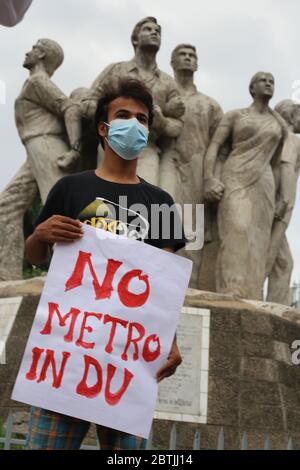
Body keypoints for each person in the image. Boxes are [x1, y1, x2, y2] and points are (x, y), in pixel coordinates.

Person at [24, 78, 186, 450]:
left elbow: (164, 284)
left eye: (142, 119)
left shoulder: (160, 201)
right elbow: (35, 257)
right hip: (65, 360)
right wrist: (40, 234)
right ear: (104, 127)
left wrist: (171, 340)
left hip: (127, 366)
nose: (134, 124)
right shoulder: (69, 189)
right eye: (123, 115)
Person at [0, 38, 82, 281]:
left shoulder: (38, 81)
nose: (28, 51)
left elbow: (70, 108)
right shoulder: (33, 81)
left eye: (34, 48)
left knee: (60, 211)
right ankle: (7, 277)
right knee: (5, 208)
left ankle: (71, 274)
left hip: (48, 147)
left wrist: (75, 149)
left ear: (43, 55)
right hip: (35, 150)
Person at [204, 72, 287, 300]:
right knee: (236, 229)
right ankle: (232, 288)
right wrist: (209, 178)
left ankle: (252, 293)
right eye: (263, 80)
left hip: (264, 181)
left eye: (272, 81)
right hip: (236, 175)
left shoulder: (277, 124)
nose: (268, 83)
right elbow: (215, 146)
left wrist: (281, 195)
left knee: (258, 239)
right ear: (252, 88)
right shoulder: (235, 115)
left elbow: (278, 163)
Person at [79, 17, 185, 185]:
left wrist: (163, 122)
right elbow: (86, 104)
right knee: (108, 200)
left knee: (141, 202)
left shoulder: (168, 82)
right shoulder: (116, 70)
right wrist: (112, 115)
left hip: (146, 149)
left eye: (157, 31)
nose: (154, 33)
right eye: (148, 29)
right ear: (135, 39)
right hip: (112, 144)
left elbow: (178, 126)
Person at [163, 43, 223, 288]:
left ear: (196, 64)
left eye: (192, 56)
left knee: (191, 231)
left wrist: (212, 177)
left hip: (196, 169)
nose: (187, 59)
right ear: (172, 62)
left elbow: (220, 148)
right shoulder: (163, 94)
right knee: (160, 221)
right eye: (182, 55)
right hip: (166, 161)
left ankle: (186, 289)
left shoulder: (209, 104)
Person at [266, 100, 300, 304]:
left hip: (275, 201)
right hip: (279, 203)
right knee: (271, 257)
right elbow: (286, 165)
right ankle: (267, 306)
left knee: (283, 262)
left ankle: (273, 306)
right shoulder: (291, 138)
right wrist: (285, 199)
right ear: (291, 115)